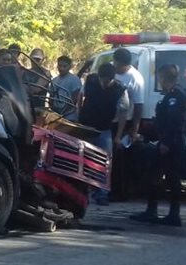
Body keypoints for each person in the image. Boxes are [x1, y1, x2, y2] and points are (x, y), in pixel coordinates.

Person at [132, 64, 186, 226]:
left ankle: (170, 214)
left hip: (170, 144)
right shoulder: (176, 94)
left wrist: (166, 142)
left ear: (164, 78)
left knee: (168, 178)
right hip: (171, 141)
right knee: (158, 176)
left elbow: (175, 122)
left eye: (160, 78)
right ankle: (155, 211)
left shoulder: (175, 96)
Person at [78, 61, 123, 205]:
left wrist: (118, 136)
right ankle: (83, 191)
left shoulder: (120, 90)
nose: (104, 83)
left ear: (113, 79)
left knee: (104, 162)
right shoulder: (90, 81)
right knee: (84, 160)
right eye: (102, 79)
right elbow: (80, 97)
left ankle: (102, 193)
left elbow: (123, 113)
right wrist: (80, 115)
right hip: (87, 128)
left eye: (107, 80)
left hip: (104, 130)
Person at [111, 47, 146, 200]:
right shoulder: (112, 73)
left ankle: (120, 192)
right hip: (109, 120)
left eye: (117, 63)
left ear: (124, 63)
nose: (115, 66)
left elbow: (139, 106)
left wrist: (134, 129)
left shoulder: (135, 78)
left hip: (126, 122)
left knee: (121, 160)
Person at [51, 55, 83, 120]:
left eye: (64, 66)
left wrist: (64, 111)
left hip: (69, 115)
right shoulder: (54, 80)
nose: (61, 68)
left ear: (69, 67)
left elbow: (75, 98)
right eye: (60, 65)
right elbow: (51, 97)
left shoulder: (75, 80)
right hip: (55, 114)